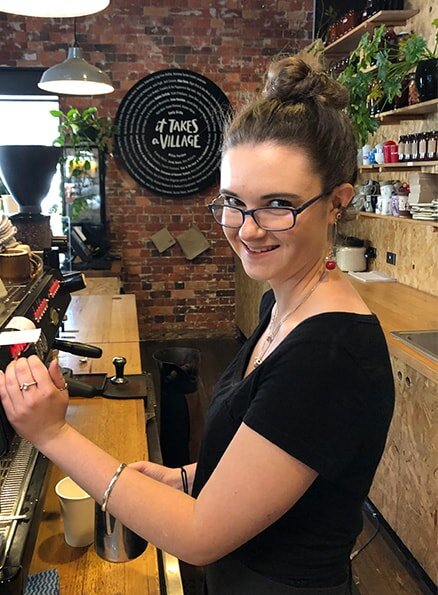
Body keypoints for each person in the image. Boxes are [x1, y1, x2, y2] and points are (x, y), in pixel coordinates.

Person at [0, 57, 394, 595]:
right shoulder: (283, 307)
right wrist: (187, 477)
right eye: (233, 202)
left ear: (338, 204)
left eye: (277, 205)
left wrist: (52, 433)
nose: (246, 230)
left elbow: (200, 536)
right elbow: (272, 449)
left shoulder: (329, 354)